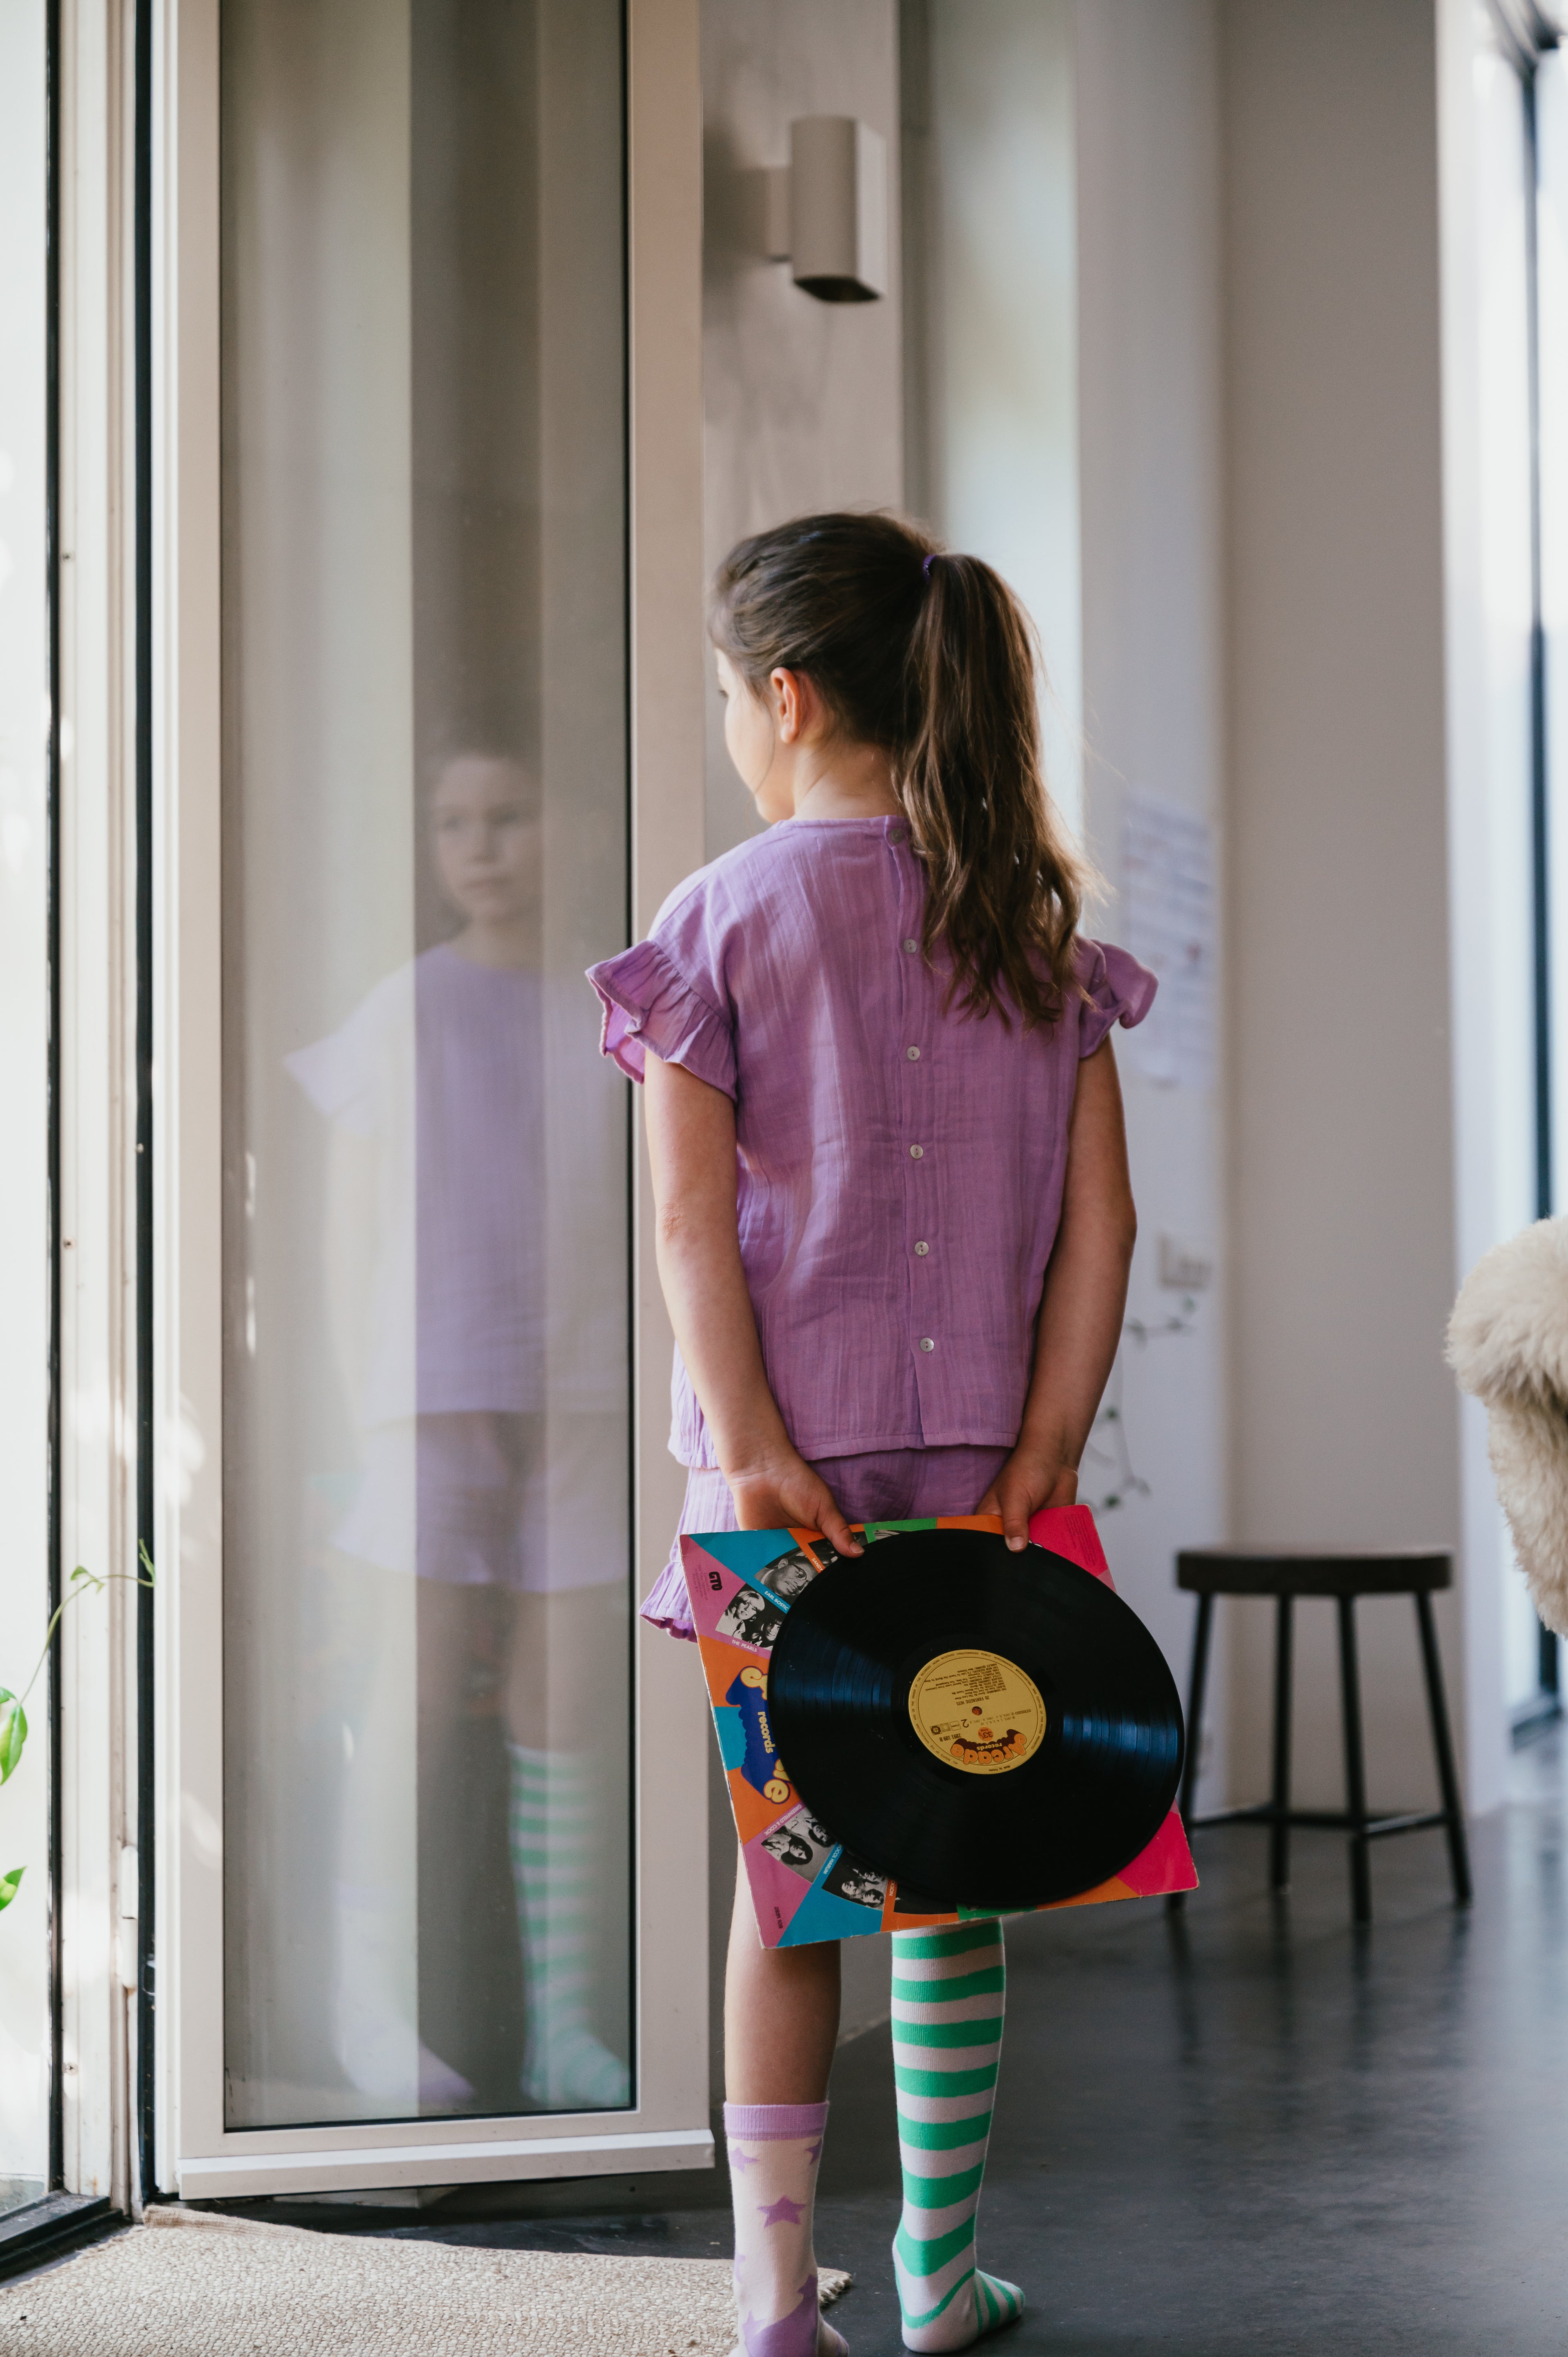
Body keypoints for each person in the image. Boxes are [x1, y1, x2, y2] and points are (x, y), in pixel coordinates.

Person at [587, 512, 1153, 2355]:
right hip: (981, 1474)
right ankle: (936, 2273)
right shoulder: (1029, 926)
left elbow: (688, 1223)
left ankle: (771, 2292)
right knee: (951, 1872)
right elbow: (1100, 1227)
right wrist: (1046, 1444)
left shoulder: (716, 915)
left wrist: (752, 1446)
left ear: (787, 695)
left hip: (782, 1481)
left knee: (797, 1893)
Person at [291, 749, 630, 2118]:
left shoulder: (612, 1002)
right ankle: (366, 2006)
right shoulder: (404, 1007)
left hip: (585, 1385)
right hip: (430, 1394)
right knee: (419, 1687)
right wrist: (359, 1411)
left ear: (570, 824)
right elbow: (348, 1232)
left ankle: (566, 2025)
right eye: (452, 823)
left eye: (509, 816)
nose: (480, 846)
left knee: (565, 1694)